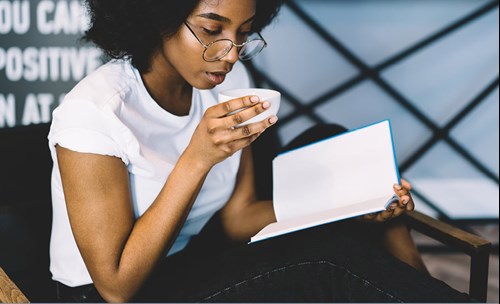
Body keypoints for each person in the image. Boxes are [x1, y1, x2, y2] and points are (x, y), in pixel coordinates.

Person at [47, 0, 473, 302]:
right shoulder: (96, 113)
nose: (230, 55)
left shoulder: (227, 84)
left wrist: (351, 201)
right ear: (157, 17)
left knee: (334, 147)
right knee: (325, 260)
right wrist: (197, 158)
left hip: (193, 261)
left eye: (245, 33)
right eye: (213, 31)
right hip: (115, 294)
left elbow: (238, 218)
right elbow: (117, 287)